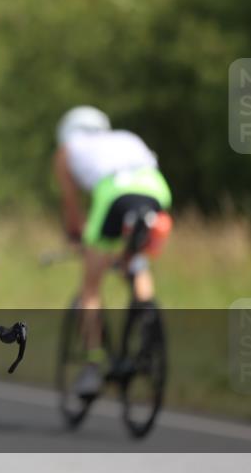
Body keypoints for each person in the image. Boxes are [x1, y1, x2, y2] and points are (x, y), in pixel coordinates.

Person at [53, 106, 173, 398]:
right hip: (156, 192)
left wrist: (77, 237)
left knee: (90, 288)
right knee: (136, 262)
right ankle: (146, 324)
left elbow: (71, 204)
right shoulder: (127, 137)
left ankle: (93, 365)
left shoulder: (67, 150)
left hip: (114, 196)